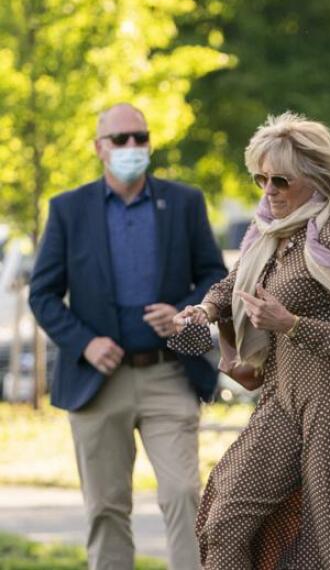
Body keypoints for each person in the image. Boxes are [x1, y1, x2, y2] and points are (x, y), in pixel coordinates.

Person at [172, 111, 330, 569]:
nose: (269, 191)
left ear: (315, 178)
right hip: (283, 396)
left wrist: (290, 324)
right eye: (261, 179)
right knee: (224, 517)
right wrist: (204, 310)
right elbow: (234, 284)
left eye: (280, 180)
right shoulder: (268, 234)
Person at [28, 103, 227, 570]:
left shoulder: (184, 202)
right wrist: (84, 342)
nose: (132, 147)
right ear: (100, 148)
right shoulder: (68, 209)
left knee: (183, 493)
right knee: (105, 508)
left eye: (140, 137)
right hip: (98, 383)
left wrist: (184, 313)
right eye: (121, 140)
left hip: (169, 374)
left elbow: (215, 276)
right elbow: (43, 294)